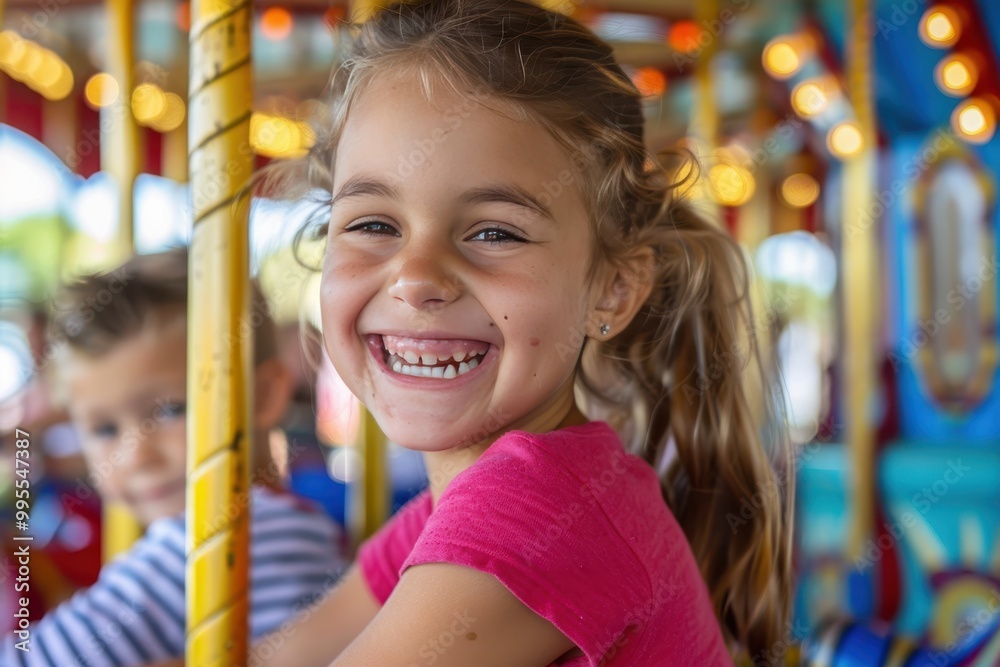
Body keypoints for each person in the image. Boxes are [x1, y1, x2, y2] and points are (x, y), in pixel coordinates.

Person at [163, 0, 795, 664]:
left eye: (495, 232)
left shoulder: (543, 513)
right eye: (374, 224)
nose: (416, 278)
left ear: (612, 288)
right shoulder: (461, 509)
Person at [1, 248, 346, 667]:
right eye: (105, 429)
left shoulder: (218, 539)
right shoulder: (292, 523)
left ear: (265, 395)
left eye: (169, 411)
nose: (136, 455)